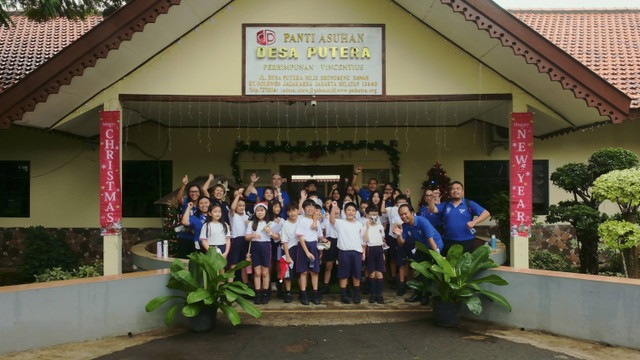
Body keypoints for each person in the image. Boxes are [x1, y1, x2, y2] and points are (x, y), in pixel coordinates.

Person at [393, 203, 443, 305]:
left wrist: (438, 256)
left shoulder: (422, 221)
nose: (403, 216)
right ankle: (417, 294)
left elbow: (430, 239)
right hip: (422, 247)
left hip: (434, 246)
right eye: (401, 215)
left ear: (412, 213)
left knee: (430, 271)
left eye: (405, 213)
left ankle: (426, 296)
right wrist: (399, 235)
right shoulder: (405, 226)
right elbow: (401, 243)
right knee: (418, 270)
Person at [428, 181, 490, 255]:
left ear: (462, 192)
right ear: (450, 192)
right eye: (453, 189)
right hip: (448, 240)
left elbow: (486, 213)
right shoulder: (445, 204)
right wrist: (432, 198)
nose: (455, 191)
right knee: (449, 265)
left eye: (458, 189)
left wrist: (474, 222)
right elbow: (432, 209)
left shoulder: (469, 204)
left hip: (466, 241)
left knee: (464, 264)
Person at [329, 200, 365, 304]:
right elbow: (332, 220)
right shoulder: (340, 222)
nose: (350, 212)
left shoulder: (359, 224)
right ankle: (344, 295)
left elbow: (362, 240)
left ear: (355, 213)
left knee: (356, 275)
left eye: (353, 210)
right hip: (344, 252)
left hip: (357, 252)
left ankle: (356, 295)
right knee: (343, 274)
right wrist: (333, 207)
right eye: (348, 210)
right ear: (345, 212)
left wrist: (363, 252)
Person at [245, 202, 280, 305]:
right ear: (255, 212)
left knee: (265, 272)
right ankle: (258, 293)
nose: (260, 212)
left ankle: (265, 293)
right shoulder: (252, 224)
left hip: (266, 247)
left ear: (265, 211)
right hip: (255, 248)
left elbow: (277, 237)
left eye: (262, 210)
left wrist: (269, 232)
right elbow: (246, 237)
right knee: (257, 272)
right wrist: (252, 236)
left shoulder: (270, 223)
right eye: (258, 210)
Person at [295, 199, 324, 305]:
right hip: (303, 247)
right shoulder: (301, 220)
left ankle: (315, 294)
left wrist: (325, 243)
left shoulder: (317, 222)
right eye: (307, 206)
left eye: (312, 206)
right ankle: (304, 294)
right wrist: (307, 252)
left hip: (314, 246)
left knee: (314, 271)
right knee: (303, 272)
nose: (310, 208)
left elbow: (320, 237)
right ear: (304, 209)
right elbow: (300, 237)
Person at [381, 194, 410, 296]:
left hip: (406, 239)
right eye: (399, 202)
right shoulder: (392, 210)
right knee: (393, 259)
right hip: (393, 238)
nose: (401, 204)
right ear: (396, 203)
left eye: (403, 202)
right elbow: (383, 211)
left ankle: (404, 281)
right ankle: (393, 278)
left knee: (405, 261)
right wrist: (384, 199)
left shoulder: (410, 212)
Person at [363, 206, 386, 304]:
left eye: (376, 215)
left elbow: (382, 240)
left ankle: (379, 294)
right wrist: (367, 227)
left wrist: (383, 252)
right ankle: (373, 294)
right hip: (370, 249)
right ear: (367, 215)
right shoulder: (364, 227)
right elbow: (365, 240)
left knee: (379, 273)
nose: (374, 216)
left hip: (379, 249)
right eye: (372, 215)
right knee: (372, 273)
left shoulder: (380, 227)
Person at [228, 188, 250, 285]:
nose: (241, 207)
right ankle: (229, 286)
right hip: (236, 240)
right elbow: (232, 208)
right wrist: (238, 195)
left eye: (243, 206)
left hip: (245, 240)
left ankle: (245, 285)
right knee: (233, 264)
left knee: (243, 264)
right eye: (239, 206)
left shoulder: (246, 216)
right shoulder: (232, 215)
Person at [279, 202, 300, 303]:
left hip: (300, 249)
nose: (292, 213)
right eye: (290, 211)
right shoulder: (285, 224)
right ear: (287, 213)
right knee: (288, 273)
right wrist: (287, 255)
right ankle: (288, 292)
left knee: (301, 271)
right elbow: (284, 241)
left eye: (294, 210)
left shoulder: (301, 221)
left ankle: (302, 292)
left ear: (297, 211)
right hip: (289, 249)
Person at [320, 198, 338, 295]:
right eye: (333, 209)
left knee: (342, 264)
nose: (336, 211)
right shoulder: (326, 220)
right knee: (328, 265)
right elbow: (319, 232)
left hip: (340, 242)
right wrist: (321, 249)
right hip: (328, 241)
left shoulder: (343, 221)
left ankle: (345, 286)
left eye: (337, 209)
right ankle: (326, 285)